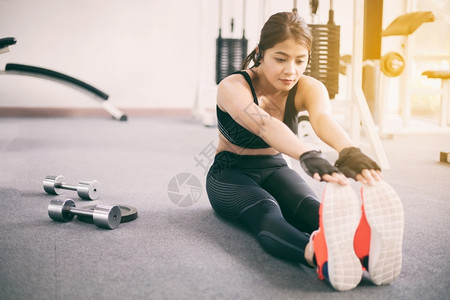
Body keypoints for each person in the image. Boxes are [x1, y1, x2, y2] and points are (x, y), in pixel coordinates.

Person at [206, 12, 403, 291]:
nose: (291, 70)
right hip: (229, 174)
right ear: (261, 53)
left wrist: (349, 151)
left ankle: (361, 248)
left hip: (276, 169)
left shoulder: (309, 87)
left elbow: (323, 121)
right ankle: (318, 255)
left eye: (300, 60)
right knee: (267, 209)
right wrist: (308, 154)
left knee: (312, 209)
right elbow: (264, 125)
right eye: (281, 58)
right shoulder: (233, 86)